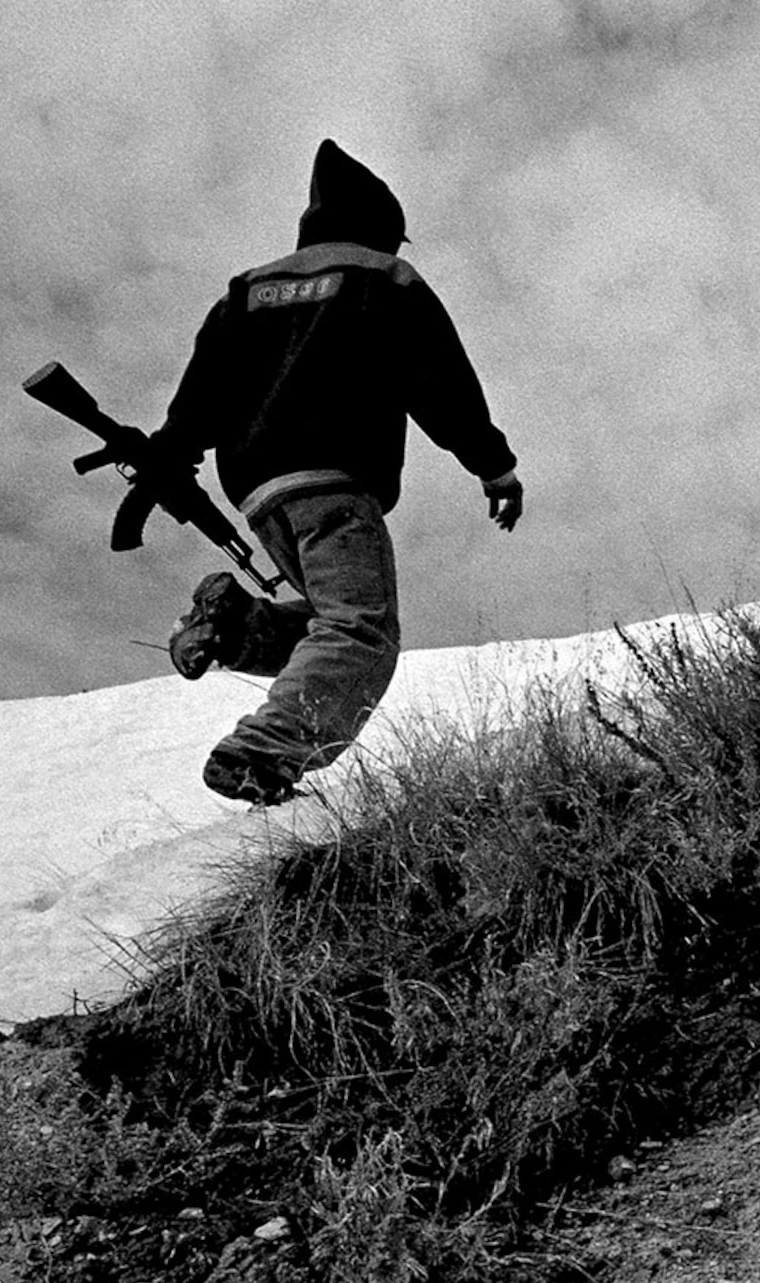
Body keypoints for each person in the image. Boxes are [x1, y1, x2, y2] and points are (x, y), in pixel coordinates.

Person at [146, 139, 523, 805]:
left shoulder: (247, 291)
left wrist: (172, 452)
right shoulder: (385, 278)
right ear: (382, 226)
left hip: (262, 498)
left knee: (332, 620)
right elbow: (441, 384)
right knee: (362, 631)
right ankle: (264, 751)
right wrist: (494, 468)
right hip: (336, 487)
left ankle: (235, 627)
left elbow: (201, 396)